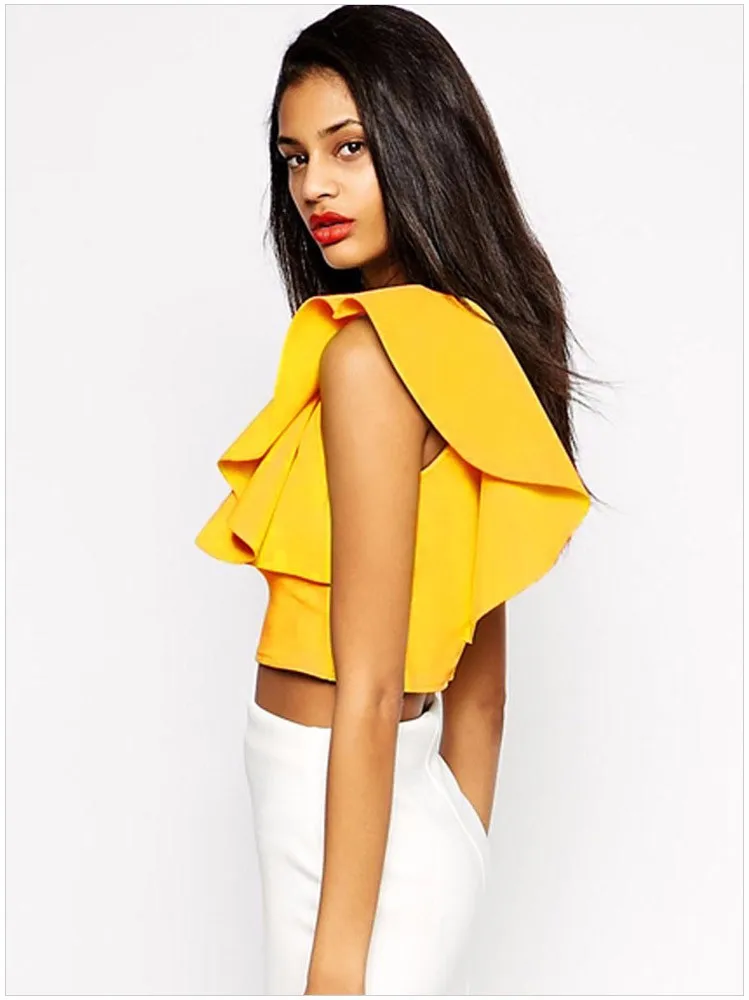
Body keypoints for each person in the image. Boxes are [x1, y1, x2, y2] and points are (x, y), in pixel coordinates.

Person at [196, 5, 598, 995]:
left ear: (421, 140)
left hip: (339, 832)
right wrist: (459, 836)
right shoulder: (473, 340)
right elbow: (482, 689)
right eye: (294, 158)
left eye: (349, 147)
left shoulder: (368, 359)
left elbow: (371, 686)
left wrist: (338, 967)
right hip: (407, 827)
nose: (313, 187)